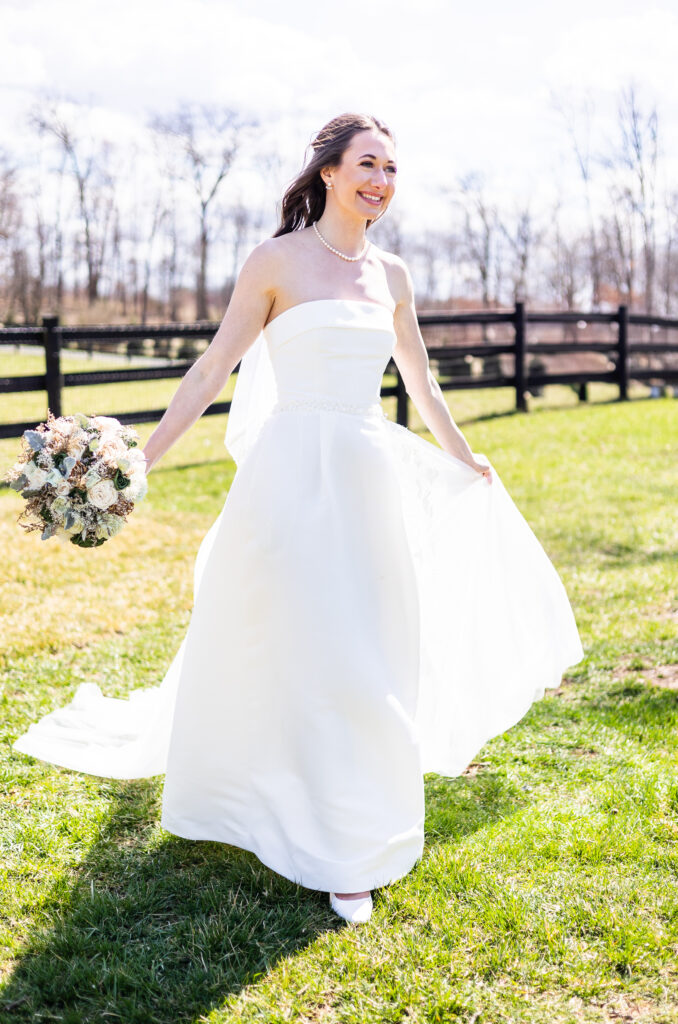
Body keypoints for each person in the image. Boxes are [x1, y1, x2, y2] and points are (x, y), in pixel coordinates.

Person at [12, 112, 584, 926]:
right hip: (287, 478)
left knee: (366, 648)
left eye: (391, 168)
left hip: (363, 476)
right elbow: (214, 365)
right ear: (327, 173)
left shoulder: (392, 275)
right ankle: (256, 798)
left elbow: (420, 380)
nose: (381, 181)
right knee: (276, 634)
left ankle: (349, 840)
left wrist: (464, 455)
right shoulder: (275, 261)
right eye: (367, 164)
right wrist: (142, 460)